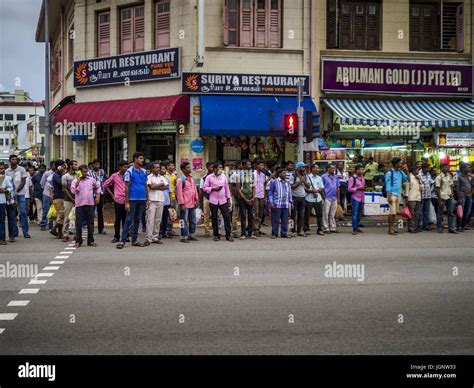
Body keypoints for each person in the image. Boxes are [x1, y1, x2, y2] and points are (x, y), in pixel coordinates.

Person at [117, 152, 148, 249]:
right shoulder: (129, 171)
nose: (142, 160)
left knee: (137, 220)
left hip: (142, 198)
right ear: (135, 159)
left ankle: (134, 240)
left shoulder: (144, 171)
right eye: (140, 158)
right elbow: (126, 186)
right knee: (129, 219)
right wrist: (126, 202)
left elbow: (145, 185)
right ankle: (122, 241)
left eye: (142, 158)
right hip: (132, 199)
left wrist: (147, 199)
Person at [70, 165, 101, 248]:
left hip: (90, 204)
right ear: (79, 172)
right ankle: (78, 241)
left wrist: (97, 196)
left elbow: (98, 187)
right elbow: (73, 191)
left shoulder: (91, 180)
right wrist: (78, 181)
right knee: (78, 223)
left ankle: (90, 241)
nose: (85, 173)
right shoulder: (75, 181)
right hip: (80, 205)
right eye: (84, 172)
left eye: (86, 171)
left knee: (90, 223)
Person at [203, 161, 233, 242]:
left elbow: (227, 188)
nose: (221, 169)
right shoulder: (209, 177)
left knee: (226, 217)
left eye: (221, 168)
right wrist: (213, 189)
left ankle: (228, 235)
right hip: (213, 200)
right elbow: (204, 188)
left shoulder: (223, 176)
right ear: (215, 168)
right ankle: (216, 235)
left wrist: (229, 198)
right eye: (219, 168)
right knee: (214, 218)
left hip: (223, 200)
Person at [5, 154, 30, 238]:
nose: (14, 160)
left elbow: (23, 181)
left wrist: (16, 191)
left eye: (15, 159)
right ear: (10, 160)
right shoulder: (7, 171)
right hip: (10, 196)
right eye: (12, 159)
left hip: (21, 194)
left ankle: (25, 232)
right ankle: (14, 232)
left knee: (23, 213)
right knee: (12, 214)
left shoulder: (22, 169)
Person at [144, 162, 168, 246]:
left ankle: (155, 237)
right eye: (156, 167)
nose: (158, 169)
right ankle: (148, 238)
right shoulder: (148, 177)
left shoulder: (162, 177)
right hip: (151, 201)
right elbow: (151, 187)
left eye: (159, 167)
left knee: (158, 220)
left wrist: (156, 186)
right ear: (152, 169)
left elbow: (167, 187)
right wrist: (160, 185)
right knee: (150, 220)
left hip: (160, 200)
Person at [104, 160, 128, 243]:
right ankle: (116, 236)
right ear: (120, 167)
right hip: (118, 199)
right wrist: (112, 195)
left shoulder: (128, 175)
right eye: (124, 167)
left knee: (126, 219)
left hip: (127, 199)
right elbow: (106, 184)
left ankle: (126, 236)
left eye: (127, 167)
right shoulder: (114, 176)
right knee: (118, 218)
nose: (126, 168)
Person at [176, 161, 199, 243]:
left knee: (193, 220)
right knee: (183, 221)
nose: (190, 169)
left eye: (190, 167)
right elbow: (179, 193)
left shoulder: (192, 178)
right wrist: (181, 204)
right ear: (183, 169)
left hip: (192, 203)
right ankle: (183, 236)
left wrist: (197, 199)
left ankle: (191, 235)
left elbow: (195, 190)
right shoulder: (180, 180)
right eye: (188, 167)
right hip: (184, 204)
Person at [385, 158, 408, 235]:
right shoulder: (389, 173)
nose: (401, 164)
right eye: (400, 163)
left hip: (398, 194)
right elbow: (388, 185)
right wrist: (389, 196)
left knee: (395, 213)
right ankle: (390, 229)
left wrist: (407, 170)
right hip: (392, 194)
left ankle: (392, 228)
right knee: (392, 212)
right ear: (396, 164)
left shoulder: (401, 172)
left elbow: (407, 179)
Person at [269, 167, 293, 238]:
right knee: (275, 220)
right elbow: (270, 193)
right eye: (283, 173)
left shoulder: (287, 182)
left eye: (285, 173)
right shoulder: (274, 182)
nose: (285, 174)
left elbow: (289, 193)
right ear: (279, 174)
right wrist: (271, 203)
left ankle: (284, 233)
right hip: (277, 203)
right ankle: (274, 233)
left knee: (285, 220)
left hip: (285, 204)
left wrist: (291, 202)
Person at [236, 159, 256, 240]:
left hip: (251, 198)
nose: (249, 166)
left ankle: (250, 233)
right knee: (243, 216)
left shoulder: (252, 175)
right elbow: (238, 189)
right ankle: (243, 233)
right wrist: (244, 198)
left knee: (251, 216)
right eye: (248, 164)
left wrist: (253, 197)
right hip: (243, 199)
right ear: (243, 165)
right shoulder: (239, 175)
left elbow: (254, 187)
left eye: (250, 164)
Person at [304, 163, 325, 236]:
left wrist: (316, 191)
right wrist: (312, 191)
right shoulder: (307, 177)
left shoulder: (319, 178)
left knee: (319, 215)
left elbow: (322, 188)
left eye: (318, 168)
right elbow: (305, 188)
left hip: (318, 199)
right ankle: (306, 229)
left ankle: (320, 229)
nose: (318, 169)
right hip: (309, 199)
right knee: (307, 215)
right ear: (312, 169)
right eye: (316, 168)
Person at [88, 159, 107, 235]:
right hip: (91, 194)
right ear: (92, 165)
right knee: (91, 212)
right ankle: (91, 228)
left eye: (98, 164)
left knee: (100, 212)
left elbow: (106, 180)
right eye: (96, 164)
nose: (97, 166)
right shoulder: (89, 173)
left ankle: (101, 229)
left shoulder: (102, 172)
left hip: (101, 193)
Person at [50, 160, 68, 241]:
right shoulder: (56, 175)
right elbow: (62, 182)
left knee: (62, 215)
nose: (64, 167)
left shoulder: (60, 174)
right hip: (59, 197)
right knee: (61, 215)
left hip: (63, 196)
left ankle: (56, 230)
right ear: (59, 166)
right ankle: (57, 231)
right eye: (63, 166)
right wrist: (64, 174)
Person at [289, 162, 308, 237]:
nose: (304, 168)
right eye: (303, 167)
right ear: (298, 168)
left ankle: (300, 230)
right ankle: (293, 230)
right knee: (293, 214)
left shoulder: (305, 175)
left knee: (301, 214)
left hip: (302, 197)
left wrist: (305, 182)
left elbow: (308, 186)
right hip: (294, 197)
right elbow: (291, 187)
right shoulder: (293, 175)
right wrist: (300, 182)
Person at [435, 163, 455, 234]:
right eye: (445, 167)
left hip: (449, 196)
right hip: (442, 197)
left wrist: (452, 193)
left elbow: (451, 185)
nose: (447, 168)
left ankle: (451, 228)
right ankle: (440, 228)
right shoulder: (438, 177)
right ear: (441, 168)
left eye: (447, 167)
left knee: (450, 213)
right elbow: (437, 189)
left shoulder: (449, 175)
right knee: (440, 213)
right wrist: (439, 199)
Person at [321, 164, 340, 234]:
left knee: (332, 214)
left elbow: (338, 187)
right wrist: (324, 197)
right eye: (332, 168)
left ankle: (333, 227)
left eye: (334, 168)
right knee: (325, 213)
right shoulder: (323, 176)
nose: (334, 169)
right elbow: (321, 188)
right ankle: (326, 227)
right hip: (327, 197)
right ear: (328, 169)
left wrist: (338, 198)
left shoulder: (335, 177)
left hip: (334, 197)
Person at [454, 163, 472, 232]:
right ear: (463, 168)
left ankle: (463, 225)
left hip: (469, 196)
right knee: (460, 212)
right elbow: (456, 188)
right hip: (462, 196)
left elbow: (471, 185)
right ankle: (459, 226)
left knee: (468, 211)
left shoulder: (469, 176)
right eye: (468, 167)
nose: (469, 169)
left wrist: (470, 193)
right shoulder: (458, 176)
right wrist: (459, 198)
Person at [348, 164, 366, 235]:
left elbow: (363, 186)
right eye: (361, 169)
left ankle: (357, 227)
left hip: (362, 197)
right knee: (355, 213)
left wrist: (364, 187)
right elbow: (349, 189)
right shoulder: (352, 178)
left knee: (360, 214)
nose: (362, 171)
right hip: (355, 197)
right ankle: (354, 228)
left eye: (363, 169)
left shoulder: (362, 177)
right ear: (357, 170)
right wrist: (358, 188)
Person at [62, 160, 77, 239]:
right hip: (68, 199)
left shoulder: (78, 175)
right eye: (75, 164)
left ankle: (76, 234)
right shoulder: (65, 176)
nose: (76, 166)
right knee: (67, 217)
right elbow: (64, 189)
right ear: (70, 166)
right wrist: (72, 199)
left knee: (77, 217)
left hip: (77, 199)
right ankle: (65, 234)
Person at [405, 166, 422, 233]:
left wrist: (420, 181)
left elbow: (422, 188)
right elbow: (407, 187)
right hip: (411, 197)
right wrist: (406, 198)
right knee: (411, 214)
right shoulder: (409, 177)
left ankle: (415, 227)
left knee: (417, 214)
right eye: (417, 170)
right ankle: (411, 228)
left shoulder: (418, 178)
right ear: (414, 170)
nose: (418, 171)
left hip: (418, 197)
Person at [0, 162, 14, 245]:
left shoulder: (5, 178)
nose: (1, 170)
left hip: (2, 201)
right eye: (0, 168)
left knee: (1, 221)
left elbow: (10, 187)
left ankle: (2, 238)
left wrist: (5, 190)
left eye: (2, 168)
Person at [199, 161, 214, 237]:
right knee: (206, 215)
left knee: (215, 215)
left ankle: (215, 231)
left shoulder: (217, 176)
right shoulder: (203, 178)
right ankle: (207, 231)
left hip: (216, 199)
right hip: (207, 198)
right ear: (207, 168)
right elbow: (201, 190)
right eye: (211, 167)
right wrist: (200, 201)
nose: (213, 168)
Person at [40, 161, 56, 231]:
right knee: (45, 209)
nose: (55, 167)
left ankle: (51, 224)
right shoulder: (47, 173)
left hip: (55, 194)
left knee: (52, 210)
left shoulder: (58, 174)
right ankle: (43, 224)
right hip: (46, 193)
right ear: (51, 166)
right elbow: (42, 183)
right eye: (54, 165)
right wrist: (46, 190)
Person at [418, 163, 434, 231]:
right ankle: (419, 225)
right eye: (428, 168)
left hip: (428, 195)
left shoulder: (428, 174)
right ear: (424, 168)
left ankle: (425, 225)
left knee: (426, 211)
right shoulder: (419, 175)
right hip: (421, 196)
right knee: (420, 212)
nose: (429, 169)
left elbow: (431, 183)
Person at [253, 159, 267, 236]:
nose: (263, 166)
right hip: (255, 196)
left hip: (261, 195)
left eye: (263, 165)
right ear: (257, 165)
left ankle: (258, 228)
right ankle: (255, 229)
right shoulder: (253, 174)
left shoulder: (263, 175)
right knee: (256, 212)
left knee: (261, 213)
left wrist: (264, 195)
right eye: (261, 165)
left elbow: (264, 185)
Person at [159, 164, 172, 239]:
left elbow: (169, 191)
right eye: (161, 169)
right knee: (158, 218)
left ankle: (164, 232)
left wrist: (170, 201)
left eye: (164, 169)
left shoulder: (166, 179)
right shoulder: (155, 178)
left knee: (165, 218)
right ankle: (159, 232)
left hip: (166, 201)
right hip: (159, 200)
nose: (163, 170)